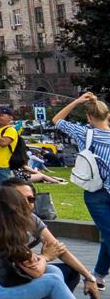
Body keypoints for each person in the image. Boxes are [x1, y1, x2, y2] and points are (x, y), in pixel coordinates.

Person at [51, 92, 110, 282]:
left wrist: (76, 101)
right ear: (107, 115)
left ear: (89, 117)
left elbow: (57, 119)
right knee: (108, 235)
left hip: (95, 193)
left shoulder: (85, 133)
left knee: (108, 235)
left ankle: (98, 276)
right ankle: (98, 276)